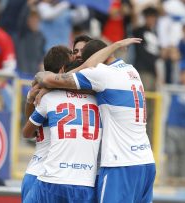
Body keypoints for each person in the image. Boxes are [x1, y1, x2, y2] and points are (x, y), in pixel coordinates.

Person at [34, 37, 156, 203]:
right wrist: (116, 45)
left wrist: (45, 81)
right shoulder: (131, 70)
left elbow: (47, 79)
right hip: (146, 161)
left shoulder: (101, 74)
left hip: (120, 163)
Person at [22, 45, 101, 203]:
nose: (78, 59)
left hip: (44, 173)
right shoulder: (96, 98)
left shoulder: (45, 95)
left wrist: (33, 96)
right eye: (74, 55)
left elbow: (27, 132)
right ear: (64, 68)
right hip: (55, 174)